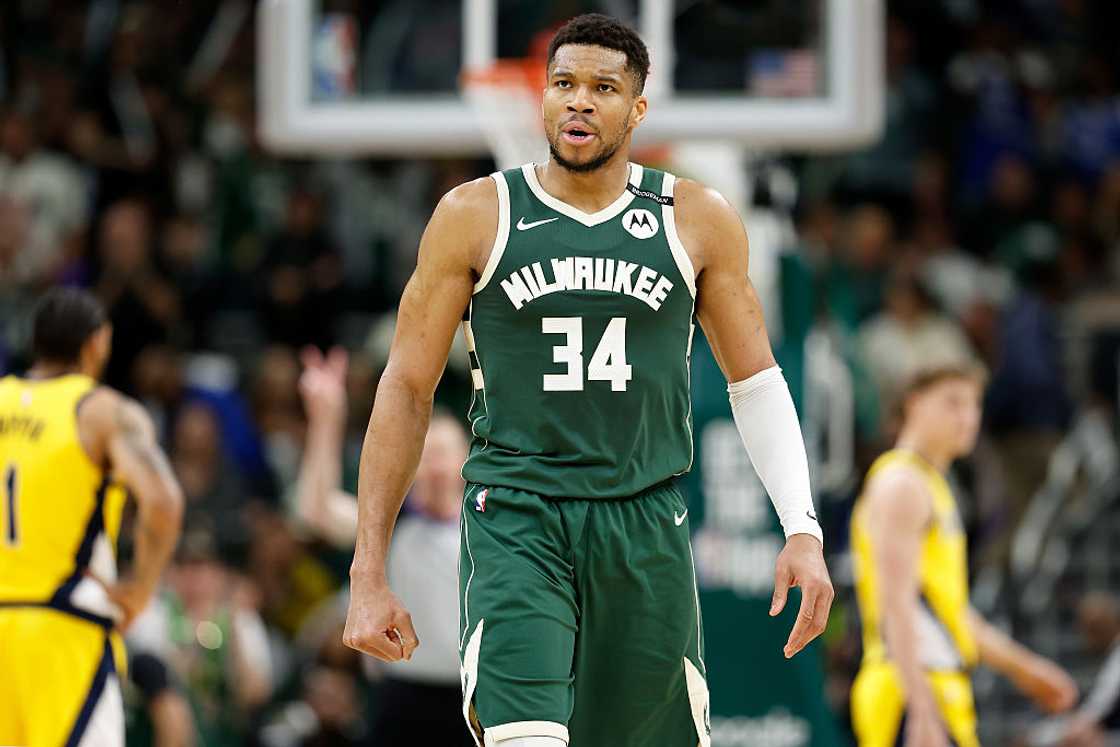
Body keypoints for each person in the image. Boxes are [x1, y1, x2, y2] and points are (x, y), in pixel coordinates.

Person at [343, 13, 834, 747]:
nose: (579, 100)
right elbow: (407, 388)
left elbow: (756, 381)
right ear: (542, 98)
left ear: (637, 109)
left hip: (644, 521)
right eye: (564, 83)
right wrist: (368, 570)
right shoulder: (475, 215)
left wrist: (802, 526)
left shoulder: (693, 218)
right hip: (518, 515)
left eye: (603, 88)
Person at [850, 363, 1078, 747]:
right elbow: (896, 605)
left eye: (974, 405)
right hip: (910, 689)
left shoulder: (930, 484)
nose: (967, 417)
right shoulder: (902, 484)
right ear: (914, 404)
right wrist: (921, 710)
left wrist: (1026, 670)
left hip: (934, 687)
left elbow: (951, 613)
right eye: (953, 403)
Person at [0, 287, 184, 745]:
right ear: (97, 342)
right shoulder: (101, 411)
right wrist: (140, 590)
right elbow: (163, 502)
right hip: (62, 629)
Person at [295, 347, 474, 746]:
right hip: (403, 696)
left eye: (442, 454)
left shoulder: (485, 524)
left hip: (474, 695)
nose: (435, 467)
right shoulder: (390, 523)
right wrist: (325, 420)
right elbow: (316, 510)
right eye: (425, 456)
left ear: (464, 459)